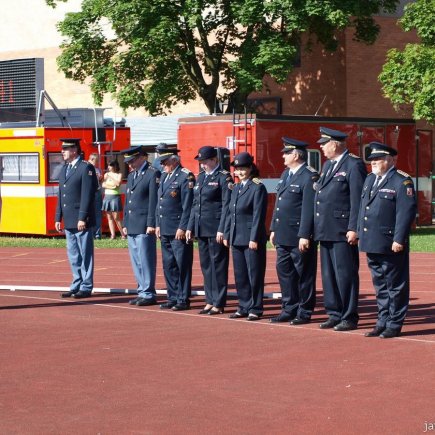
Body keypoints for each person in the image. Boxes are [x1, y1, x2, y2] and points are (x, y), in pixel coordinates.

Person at [358, 142, 416, 338]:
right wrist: (360, 233)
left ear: (390, 160)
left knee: (395, 285)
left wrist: (399, 239)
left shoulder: (401, 181)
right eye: (372, 160)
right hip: (372, 241)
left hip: (391, 242)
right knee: (380, 285)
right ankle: (382, 321)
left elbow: (405, 213)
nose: (373, 163)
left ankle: (394, 323)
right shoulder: (369, 180)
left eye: (378, 159)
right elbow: (363, 210)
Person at [314, 127, 367, 331]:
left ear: (334, 144)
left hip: (342, 229)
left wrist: (354, 228)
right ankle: (334, 312)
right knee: (328, 275)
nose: (320, 146)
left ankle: (349, 315)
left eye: (324, 143)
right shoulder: (328, 165)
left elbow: (357, 200)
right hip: (326, 228)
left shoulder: (353, 165)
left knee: (345, 274)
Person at [269, 137, 319, 325]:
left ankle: (304, 311)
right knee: (285, 272)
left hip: (298, 235)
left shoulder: (309, 176)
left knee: (303, 274)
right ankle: (288, 308)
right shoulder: (286, 174)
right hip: (283, 233)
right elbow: (279, 204)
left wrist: (305, 234)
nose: (283, 156)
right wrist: (273, 228)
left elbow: (309, 209)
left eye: (286, 153)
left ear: (296, 155)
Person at [186, 146, 234, 315]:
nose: (202, 165)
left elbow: (227, 206)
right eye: (201, 162)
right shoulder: (200, 178)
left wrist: (223, 229)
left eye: (205, 161)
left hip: (215, 228)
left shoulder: (223, 177)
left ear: (214, 160)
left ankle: (219, 302)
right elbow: (195, 205)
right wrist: (190, 227)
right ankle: (209, 300)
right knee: (206, 266)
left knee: (218, 266)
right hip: (201, 228)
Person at [223, 152, 268, 321]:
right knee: (240, 274)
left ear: (250, 168)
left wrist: (254, 238)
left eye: (243, 169)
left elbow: (258, 215)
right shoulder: (236, 188)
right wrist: (228, 233)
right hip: (237, 237)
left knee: (254, 274)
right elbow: (230, 213)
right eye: (237, 169)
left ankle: (255, 308)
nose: (240, 172)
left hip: (251, 238)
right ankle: (243, 305)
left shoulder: (257, 187)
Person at [55, 138, 98, 299]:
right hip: (69, 218)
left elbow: (88, 195)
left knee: (85, 253)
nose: (62, 152)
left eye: (65, 149)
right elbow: (61, 194)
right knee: (73, 254)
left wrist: (82, 217)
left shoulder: (85, 168)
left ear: (74, 150)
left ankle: (86, 286)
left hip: (81, 219)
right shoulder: (65, 168)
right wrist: (58, 216)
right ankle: (76, 283)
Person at [155, 144, 195, 311]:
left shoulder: (185, 177)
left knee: (182, 264)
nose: (162, 165)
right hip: (165, 227)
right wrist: (157, 224)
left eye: (165, 162)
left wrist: (183, 227)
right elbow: (160, 203)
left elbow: (189, 205)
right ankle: (172, 296)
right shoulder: (164, 176)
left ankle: (183, 298)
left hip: (178, 228)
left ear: (174, 160)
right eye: (161, 162)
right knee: (168, 264)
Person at [122, 146, 160, 306]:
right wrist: (125, 222)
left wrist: (151, 223)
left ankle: (148, 292)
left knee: (145, 260)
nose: (130, 164)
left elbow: (153, 201)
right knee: (136, 260)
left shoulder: (152, 173)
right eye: (128, 162)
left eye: (132, 161)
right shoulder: (132, 176)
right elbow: (128, 200)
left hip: (144, 223)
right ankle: (142, 290)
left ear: (141, 158)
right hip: (132, 223)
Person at [102, 159, 125, 239]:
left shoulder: (119, 174)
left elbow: (118, 184)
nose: (108, 167)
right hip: (107, 196)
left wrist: (111, 177)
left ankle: (122, 234)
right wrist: (112, 186)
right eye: (108, 165)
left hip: (115, 196)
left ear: (114, 166)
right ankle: (113, 235)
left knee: (116, 217)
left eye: (110, 165)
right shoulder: (106, 174)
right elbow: (103, 185)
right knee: (109, 217)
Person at [88, 153, 103, 239]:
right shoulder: (86, 168)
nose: (97, 163)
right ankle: (90, 233)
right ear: (92, 159)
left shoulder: (98, 169)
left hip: (97, 192)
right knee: (89, 213)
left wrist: (100, 179)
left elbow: (100, 182)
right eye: (96, 161)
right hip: (90, 193)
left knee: (98, 213)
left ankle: (97, 234)